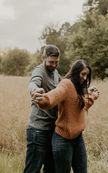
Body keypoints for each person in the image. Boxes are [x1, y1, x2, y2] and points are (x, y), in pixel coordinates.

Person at [32, 59, 98, 173]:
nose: (85, 78)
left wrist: (92, 96)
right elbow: (55, 95)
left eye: (87, 75)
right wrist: (43, 99)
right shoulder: (66, 84)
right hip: (63, 140)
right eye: (83, 74)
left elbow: (80, 105)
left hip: (78, 139)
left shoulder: (79, 86)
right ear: (76, 72)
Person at [24, 44, 61, 173]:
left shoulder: (56, 73)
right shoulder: (39, 70)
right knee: (33, 169)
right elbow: (33, 82)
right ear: (43, 58)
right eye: (51, 62)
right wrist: (34, 90)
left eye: (57, 62)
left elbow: (64, 89)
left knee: (51, 168)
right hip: (38, 131)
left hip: (53, 130)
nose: (54, 65)